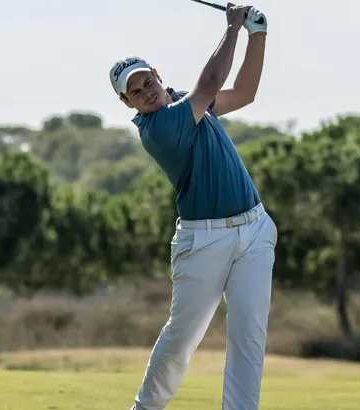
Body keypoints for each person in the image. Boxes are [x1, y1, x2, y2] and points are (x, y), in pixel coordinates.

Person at [108, 4, 276, 410]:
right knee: (182, 338)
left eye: (147, 81)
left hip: (254, 230)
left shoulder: (186, 102)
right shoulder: (160, 128)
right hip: (204, 242)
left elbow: (245, 93)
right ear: (128, 103)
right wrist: (233, 28)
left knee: (249, 335)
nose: (146, 91)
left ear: (157, 74)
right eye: (136, 91)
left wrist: (257, 35)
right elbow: (214, 80)